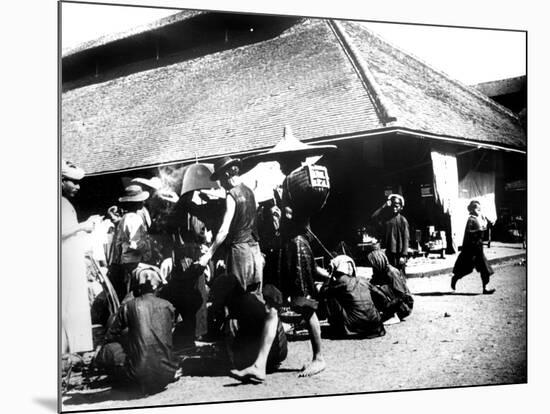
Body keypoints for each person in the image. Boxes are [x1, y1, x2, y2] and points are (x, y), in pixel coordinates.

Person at [198, 156, 279, 383]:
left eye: (220, 180)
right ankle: (261, 356)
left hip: (240, 250)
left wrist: (209, 254)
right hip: (255, 249)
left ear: (225, 175)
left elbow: (223, 231)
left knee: (238, 303)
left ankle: (242, 359)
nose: (220, 185)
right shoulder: (250, 192)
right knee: (258, 300)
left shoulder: (231, 195)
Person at [95, 264, 180, 394]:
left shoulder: (128, 306)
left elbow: (110, 336)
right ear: (157, 288)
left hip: (139, 375)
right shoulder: (168, 305)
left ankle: (122, 382)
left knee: (109, 349)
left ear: (137, 288)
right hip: (167, 373)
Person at [209, 274, 287, 381]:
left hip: (273, 353)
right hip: (279, 350)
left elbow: (237, 342)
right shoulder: (248, 299)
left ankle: (258, 365)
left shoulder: (239, 308)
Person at [61, 160, 99, 354]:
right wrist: (82, 226)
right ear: (61, 181)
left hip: (71, 259)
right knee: (68, 304)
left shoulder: (65, 203)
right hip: (64, 262)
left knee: (72, 303)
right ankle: (67, 349)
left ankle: (74, 348)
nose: (77, 187)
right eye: (73, 182)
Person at [319, 255, 385, 338]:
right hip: (376, 326)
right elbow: (382, 297)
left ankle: (336, 325)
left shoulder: (340, 282)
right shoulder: (363, 280)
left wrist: (329, 276)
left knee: (330, 296)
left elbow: (322, 293)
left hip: (354, 327)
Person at [110, 185, 152, 300]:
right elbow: (135, 243)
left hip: (127, 260)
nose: (143, 202)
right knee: (136, 288)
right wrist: (146, 247)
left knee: (130, 287)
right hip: (134, 260)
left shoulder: (125, 218)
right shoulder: (134, 218)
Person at [451, 200, 496, 294]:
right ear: (471, 210)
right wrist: (479, 230)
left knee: (485, 269)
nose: (479, 210)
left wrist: (486, 226)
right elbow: (469, 233)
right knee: (466, 269)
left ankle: (485, 288)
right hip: (471, 251)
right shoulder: (471, 220)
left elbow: (482, 231)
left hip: (479, 249)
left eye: (480, 208)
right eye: (477, 208)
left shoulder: (478, 219)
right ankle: (455, 278)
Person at [367, 248, 414, 324]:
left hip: (404, 306)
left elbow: (401, 295)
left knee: (381, 289)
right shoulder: (379, 271)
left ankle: (393, 315)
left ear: (378, 262)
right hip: (393, 302)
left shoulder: (392, 272)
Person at [371, 194, 410, 272]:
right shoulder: (386, 219)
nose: (394, 208)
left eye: (397, 206)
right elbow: (374, 217)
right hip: (388, 252)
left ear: (401, 207)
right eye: (393, 206)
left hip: (398, 254)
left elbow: (406, 239)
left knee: (399, 276)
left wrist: (403, 255)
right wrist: (384, 206)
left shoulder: (403, 220)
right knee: (389, 275)